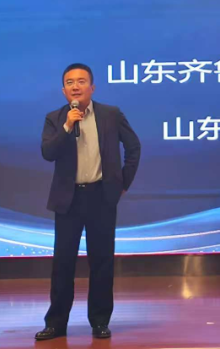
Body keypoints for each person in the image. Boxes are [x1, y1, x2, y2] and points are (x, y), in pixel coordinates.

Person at [35, 63, 141, 341]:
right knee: (63, 263)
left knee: (102, 261)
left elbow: (133, 147)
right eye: (70, 82)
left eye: (81, 81)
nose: (75, 86)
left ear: (92, 87)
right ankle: (56, 323)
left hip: (101, 197)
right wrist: (68, 126)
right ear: (63, 90)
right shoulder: (55, 118)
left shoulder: (111, 115)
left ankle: (100, 321)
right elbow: (48, 152)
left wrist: (122, 183)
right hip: (68, 199)